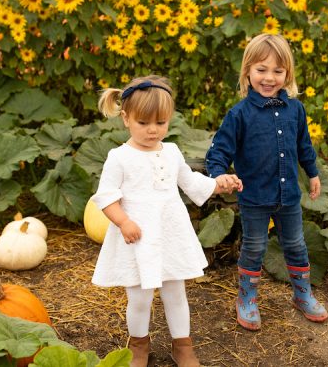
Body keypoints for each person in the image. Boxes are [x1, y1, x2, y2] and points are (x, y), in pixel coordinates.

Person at [91, 75, 242, 367]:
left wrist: (218, 183)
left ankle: (182, 345)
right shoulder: (119, 157)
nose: (153, 130)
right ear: (126, 118)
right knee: (139, 298)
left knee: (176, 293)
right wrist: (123, 222)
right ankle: (138, 346)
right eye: (143, 123)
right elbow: (106, 196)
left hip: (170, 234)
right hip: (137, 238)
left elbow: (191, 182)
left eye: (160, 123)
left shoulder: (171, 152)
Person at [205, 34, 328, 331]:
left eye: (278, 71)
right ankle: (247, 298)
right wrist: (218, 174)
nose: (269, 78)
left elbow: (304, 146)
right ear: (247, 71)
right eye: (261, 70)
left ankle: (302, 294)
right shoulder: (239, 115)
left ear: (288, 74)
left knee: (296, 243)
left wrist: (313, 173)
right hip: (255, 197)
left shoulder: (296, 110)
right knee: (255, 246)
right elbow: (219, 151)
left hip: (288, 195)